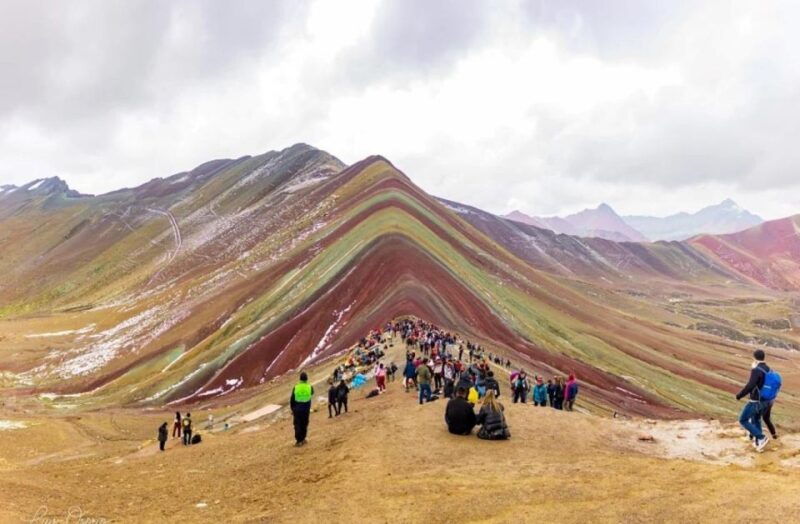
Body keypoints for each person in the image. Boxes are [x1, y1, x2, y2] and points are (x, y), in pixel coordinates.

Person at [736, 350, 775, 451]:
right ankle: (759, 444)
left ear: (754, 358)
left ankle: (761, 438)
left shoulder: (757, 370)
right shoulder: (769, 369)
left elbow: (751, 385)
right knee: (756, 419)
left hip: (756, 400)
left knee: (743, 419)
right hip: (766, 401)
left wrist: (740, 395)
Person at [290, 372, 314, 447]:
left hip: (297, 409)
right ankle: (303, 439)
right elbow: (312, 393)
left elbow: (292, 399)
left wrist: (292, 409)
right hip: (306, 409)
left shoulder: (296, 387)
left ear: (300, 379)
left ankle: (298, 440)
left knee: (297, 424)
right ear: (306, 379)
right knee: (304, 424)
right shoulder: (309, 387)